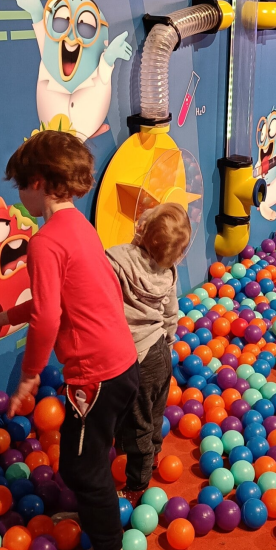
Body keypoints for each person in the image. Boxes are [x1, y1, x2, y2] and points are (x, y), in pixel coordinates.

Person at [0, 130, 138, 550]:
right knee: (84, 455)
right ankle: (93, 505)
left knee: (81, 466)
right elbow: (57, 300)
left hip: (95, 375)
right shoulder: (79, 228)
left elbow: (48, 318)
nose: (20, 195)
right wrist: (5, 316)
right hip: (120, 363)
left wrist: (30, 375)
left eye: (20, 185)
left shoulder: (46, 242)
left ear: (38, 183)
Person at [107, 203, 191, 507]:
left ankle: (137, 485)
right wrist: (169, 341)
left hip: (135, 358)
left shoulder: (118, 260)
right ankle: (153, 454)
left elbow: (99, 278)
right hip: (159, 352)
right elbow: (171, 313)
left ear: (141, 229)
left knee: (137, 424)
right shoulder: (167, 272)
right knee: (154, 413)